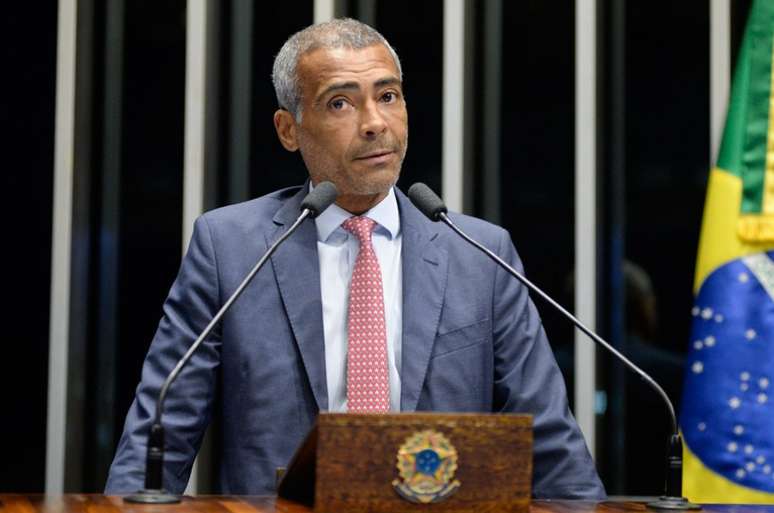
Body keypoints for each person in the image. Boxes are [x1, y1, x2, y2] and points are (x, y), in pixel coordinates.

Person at [105, 18, 605, 499]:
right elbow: (161, 431)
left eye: (388, 96)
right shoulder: (231, 249)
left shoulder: (480, 255)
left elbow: (553, 448)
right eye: (340, 103)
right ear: (288, 130)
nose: (374, 124)